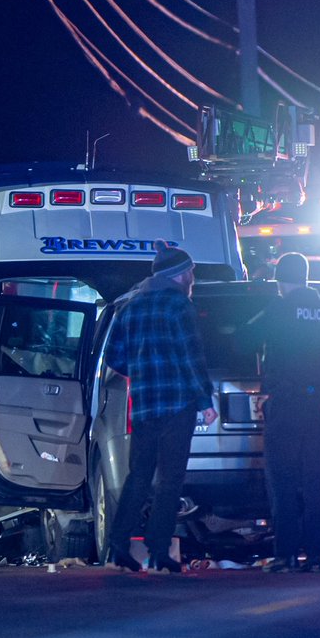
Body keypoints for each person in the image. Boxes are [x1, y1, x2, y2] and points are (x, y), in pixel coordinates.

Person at [104, 241, 218, 573]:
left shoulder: (131, 307)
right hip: (177, 403)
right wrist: (205, 401)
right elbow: (190, 357)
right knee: (170, 480)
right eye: (191, 272)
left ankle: (117, 547)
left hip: (143, 406)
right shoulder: (179, 307)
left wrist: (141, 372)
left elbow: (114, 357)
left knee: (138, 477)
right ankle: (158, 552)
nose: (192, 277)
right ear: (180, 274)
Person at [246, 252, 320, 573]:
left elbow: (244, 338)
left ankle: (285, 555)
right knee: (317, 480)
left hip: (285, 403)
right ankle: (319, 555)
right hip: (316, 406)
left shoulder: (280, 308)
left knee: (282, 479)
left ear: (281, 280)